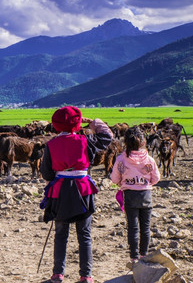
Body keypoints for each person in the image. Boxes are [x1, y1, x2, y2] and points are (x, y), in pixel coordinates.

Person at [40, 106, 113, 283]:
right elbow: (107, 136)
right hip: (83, 190)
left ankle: (58, 274)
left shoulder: (51, 145)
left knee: (61, 234)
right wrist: (92, 122)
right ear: (78, 123)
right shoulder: (86, 140)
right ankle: (86, 276)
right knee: (85, 235)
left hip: (60, 192)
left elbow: (47, 174)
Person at [110, 126, 160, 265]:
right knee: (145, 227)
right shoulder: (149, 160)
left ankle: (134, 257)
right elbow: (156, 178)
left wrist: (123, 182)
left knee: (133, 227)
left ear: (126, 142)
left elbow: (114, 179)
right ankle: (144, 254)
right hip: (146, 195)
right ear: (143, 142)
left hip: (130, 195)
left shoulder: (121, 159)